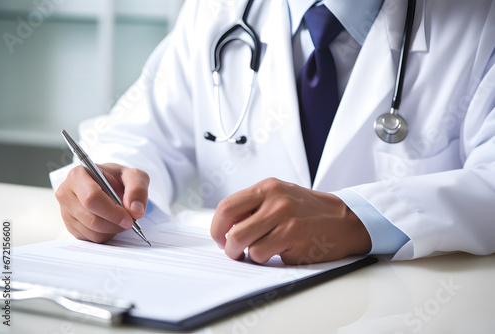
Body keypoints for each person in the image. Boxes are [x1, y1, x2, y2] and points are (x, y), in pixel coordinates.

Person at [51, 0, 495, 264]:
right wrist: (105, 185)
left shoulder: (480, 19)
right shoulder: (218, 10)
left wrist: (356, 218)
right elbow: (137, 134)